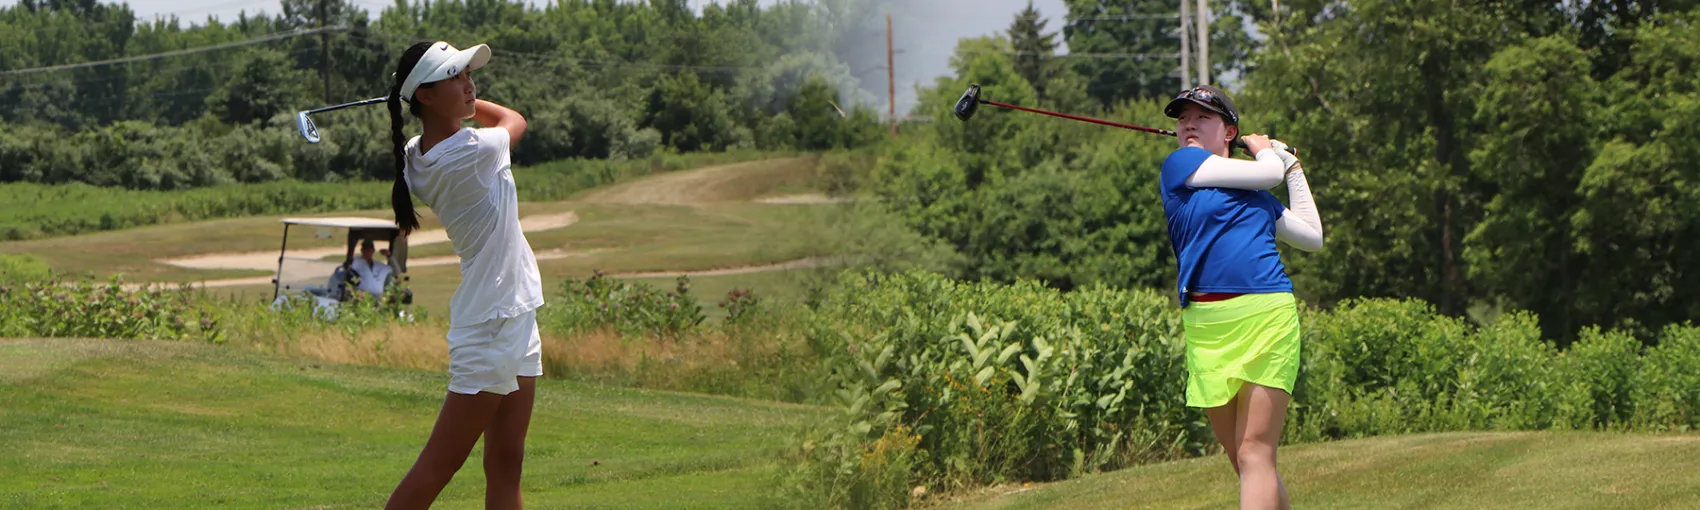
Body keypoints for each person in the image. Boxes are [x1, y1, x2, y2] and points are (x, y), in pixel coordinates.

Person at [383, 40, 541, 510]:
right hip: (492, 320)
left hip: (513, 311)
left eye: (469, 74)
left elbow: (431, 126)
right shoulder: (470, 151)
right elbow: (515, 121)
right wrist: (466, 105)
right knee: (440, 464)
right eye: (456, 76)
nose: (470, 84)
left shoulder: (417, 154)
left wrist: (431, 97)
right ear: (426, 96)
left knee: (507, 462)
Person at [1158, 85, 1323, 510]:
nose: (1188, 124)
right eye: (1182, 118)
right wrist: (1268, 152)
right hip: (1208, 326)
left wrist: (1293, 167)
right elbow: (1266, 171)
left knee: (1255, 454)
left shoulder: (1258, 198)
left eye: (1203, 117)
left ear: (1228, 130)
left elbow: (1311, 236)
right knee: (1242, 457)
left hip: (1266, 315)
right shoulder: (1182, 165)